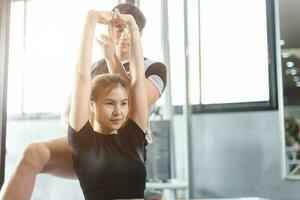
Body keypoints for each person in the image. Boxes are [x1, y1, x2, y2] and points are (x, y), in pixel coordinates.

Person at [0, 3, 167, 200]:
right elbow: (69, 110)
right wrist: (78, 136)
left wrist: (112, 58)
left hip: (127, 147)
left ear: (140, 33)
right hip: (91, 142)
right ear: (109, 28)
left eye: (129, 30)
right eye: (118, 28)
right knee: (33, 152)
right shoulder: (93, 68)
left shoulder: (153, 67)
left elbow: (136, 99)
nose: (124, 36)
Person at [67, 8, 147, 199]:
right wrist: (91, 19)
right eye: (110, 104)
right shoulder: (82, 140)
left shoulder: (133, 137)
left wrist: (132, 26)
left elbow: (137, 82)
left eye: (124, 103)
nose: (118, 112)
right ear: (91, 104)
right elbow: (81, 76)